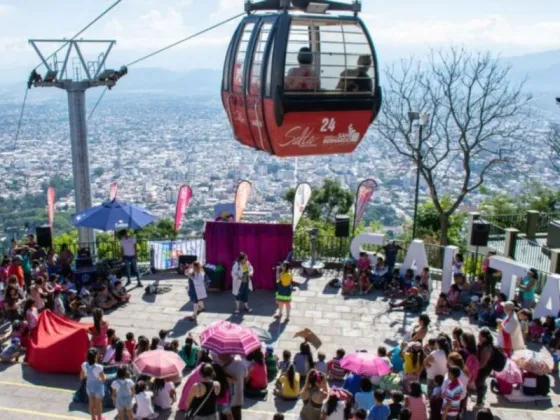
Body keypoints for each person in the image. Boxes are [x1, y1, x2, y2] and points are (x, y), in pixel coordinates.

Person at [81, 348, 106, 420]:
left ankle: (93, 418)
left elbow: (82, 376)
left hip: (89, 386)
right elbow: (103, 379)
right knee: (98, 405)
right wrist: (105, 377)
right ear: (95, 356)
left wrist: (88, 376)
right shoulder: (99, 367)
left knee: (91, 404)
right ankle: (99, 418)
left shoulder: (84, 365)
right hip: (98, 388)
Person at [221, 354, 247, 420]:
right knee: (237, 416)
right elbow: (246, 375)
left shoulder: (223, 368)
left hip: (227, 401)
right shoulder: (241, 364)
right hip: (238, 398)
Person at [474, 328, 494, 409]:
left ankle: (479, 402)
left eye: (480, 336)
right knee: (480, 383)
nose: (478, 337)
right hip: (483, 369)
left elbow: (483, 363)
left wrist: (475, 370)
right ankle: (481, 397)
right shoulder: (483, 344)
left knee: (479, 384)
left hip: (484, 370)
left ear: (485, 337)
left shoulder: (487, 348)